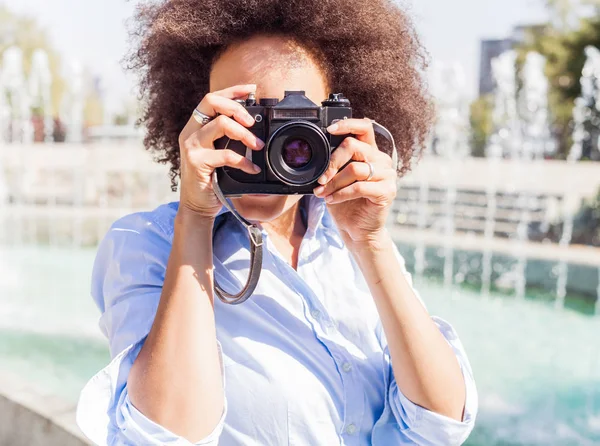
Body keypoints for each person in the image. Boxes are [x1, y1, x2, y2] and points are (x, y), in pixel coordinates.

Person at [76, 0, 478, 444]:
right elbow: (168, 434)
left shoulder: (350, 244)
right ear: (196, 122)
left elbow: (440, 426)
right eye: (244, 119)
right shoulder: (144, 244)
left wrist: (371, 241)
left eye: (296, 123)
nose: (267, 146)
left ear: (337, 125)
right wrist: (195, 217)